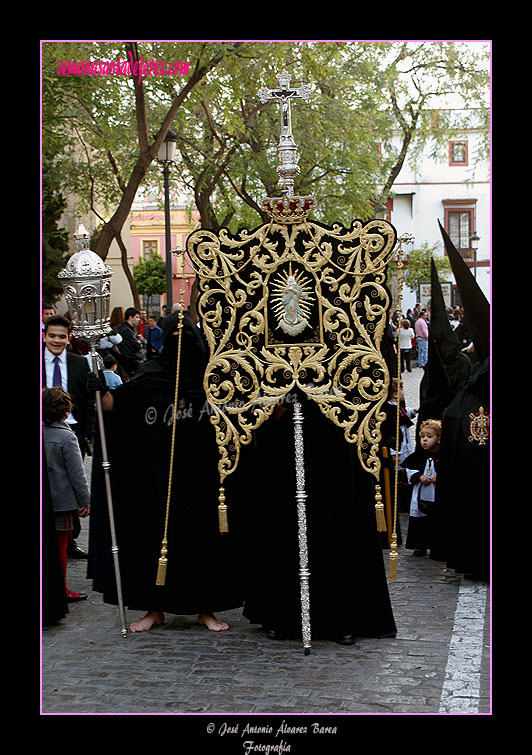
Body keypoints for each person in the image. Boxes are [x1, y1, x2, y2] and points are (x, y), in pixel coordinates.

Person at [87, 310, 244, 633]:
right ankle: (154, 608)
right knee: (152, 542)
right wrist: (98, 383)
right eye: (173, 337)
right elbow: (113, 407)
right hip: (155, 478)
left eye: (186, 337)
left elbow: (239, 413)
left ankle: (205, 609)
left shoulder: (213, 377)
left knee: (203, 544)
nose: (180, 343)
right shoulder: (151, 374)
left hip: (203, 478)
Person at [42, 314, 94, 559]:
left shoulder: (79, 364)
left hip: (72, 432)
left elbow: (85, 402)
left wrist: (85, 434)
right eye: (52, 335)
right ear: (44, 336)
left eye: (61, 337)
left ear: (69, 338)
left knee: (71, 484)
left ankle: (70, 540)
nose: (56, 340)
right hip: (44, 430)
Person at [42, 387, 91, 602]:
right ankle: (60, 590)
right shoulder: (66, 437)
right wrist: (85, 501)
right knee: (60, 549)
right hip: (61, 502)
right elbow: (77, 474)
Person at [403, 419, 441, 557]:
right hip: (420, 491)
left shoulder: (442, 455)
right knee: (419, 520)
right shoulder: (418, 455)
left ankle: (435, 546)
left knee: (434, 520)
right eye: (422, 437)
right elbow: (407, 468)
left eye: (429, 437)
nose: (425, 440)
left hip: (435, 493)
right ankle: (419, 546)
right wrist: (418, 475)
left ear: (438, 439)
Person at [116, 307, 145, 378]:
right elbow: (136, 346)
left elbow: (142, 341)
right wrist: (140, 342)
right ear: (130, 317)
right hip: (131, 362)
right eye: (137, 317)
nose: (138, 319)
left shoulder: (132, 329)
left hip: (134, 360)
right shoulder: (126, 330)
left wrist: (140, 341)